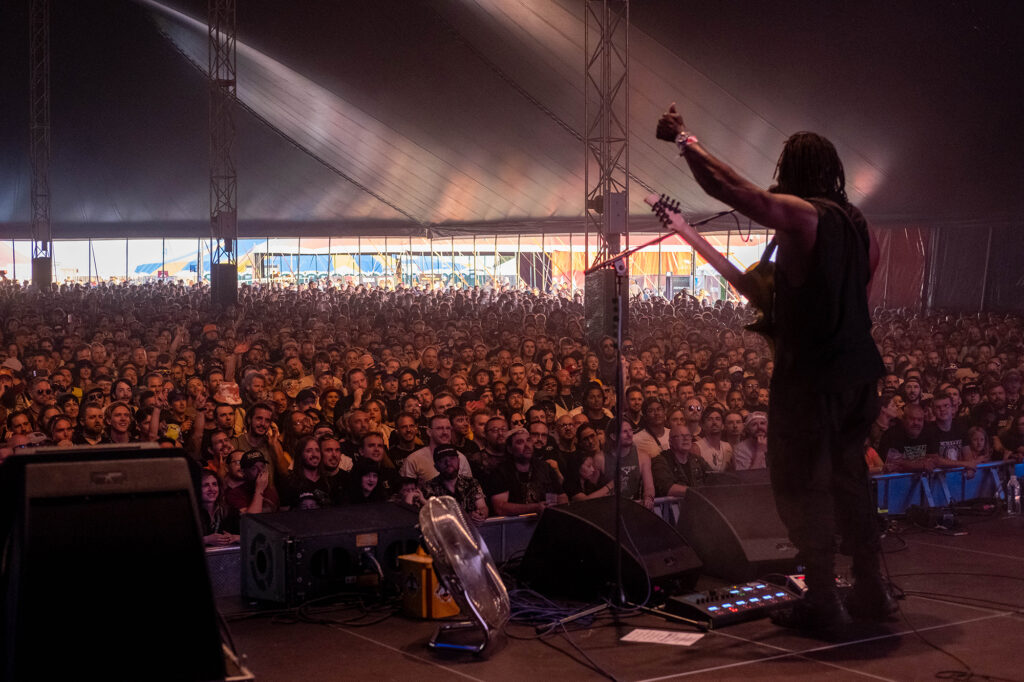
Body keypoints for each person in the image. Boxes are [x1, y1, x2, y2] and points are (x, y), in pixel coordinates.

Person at [658, 106, 890, 635]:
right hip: (858, 375)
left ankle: (824, 601)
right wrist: (690, 237)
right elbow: (826, 300)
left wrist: (685, 140)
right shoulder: (862, 229)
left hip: (811, 381)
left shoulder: (805, 216)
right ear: (832, 171)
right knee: (850, 480)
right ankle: (873, 591)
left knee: (802, 486)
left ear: (791, 171)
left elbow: (738, 192)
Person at [422, 445, 489, 525]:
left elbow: (482, 506)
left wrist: (480, 515)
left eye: (452, 458)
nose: (448, 463)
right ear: (436, 466)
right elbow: (434, 517)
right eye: (442, 460)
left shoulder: (471, 482)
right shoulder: (428, 487)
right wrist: (467, 517)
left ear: (459, 461)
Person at [652, 424, 711, 497]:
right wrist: (698, 492)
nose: (685, 439)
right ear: (670, 442)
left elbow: (714, 478)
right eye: (680, 436)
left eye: (688, 436)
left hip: (699, 505)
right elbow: (666, 488)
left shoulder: (697, 460)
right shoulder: (661, 460)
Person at [198, 471, 240, 547]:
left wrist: (234, 537)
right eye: (206, 485)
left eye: (214, 484)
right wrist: (206, 539)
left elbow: (250, 537)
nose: (211, 489)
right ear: (196, 489)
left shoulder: (230, 511)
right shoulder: (190, 513)